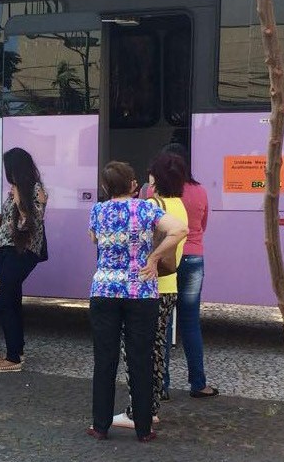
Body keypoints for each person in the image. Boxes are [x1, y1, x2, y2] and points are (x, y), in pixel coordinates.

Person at [86, 161, 186, 443]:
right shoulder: (146, 209)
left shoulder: (97, 211)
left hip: (104, 290)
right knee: (141, 358)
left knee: (104, 359)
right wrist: (153, 258)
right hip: (141, 292)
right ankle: (143, 428)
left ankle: (100, 426)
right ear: (133, 185)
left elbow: (94, 239)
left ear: (105, 187)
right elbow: (179, 230)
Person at [115, 152, 189, 429]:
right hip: (169, 286)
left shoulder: (152, 206)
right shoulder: (180, 206)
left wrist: (152, 258)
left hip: (147, 286)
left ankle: (138, 411)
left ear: (155, 177)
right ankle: (150, 407)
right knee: (156, 348)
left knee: (136, 349)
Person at [141, 146, 218, 400]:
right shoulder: (200, 191)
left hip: (166, 258)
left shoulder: (153, 193)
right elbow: (203, 225)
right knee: (191, 322)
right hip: (194, 257)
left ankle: (161, 386)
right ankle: (199, 383)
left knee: (163, 324)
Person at [0, 148, 47, 373]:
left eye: (9, 168)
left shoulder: (35, 190)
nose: (7, 173)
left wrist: (19, 202)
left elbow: (30, 224)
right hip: (5, 249)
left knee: (4, 302)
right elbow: (9, 222)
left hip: (22, 252)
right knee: (12, 299)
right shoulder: (15, 190)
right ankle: (16, 350)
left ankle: (13, 358)